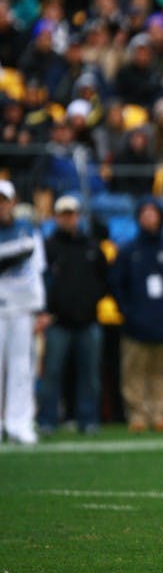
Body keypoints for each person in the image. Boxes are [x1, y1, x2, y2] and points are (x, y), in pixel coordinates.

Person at [109, 199, 163, 432]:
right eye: (145, 214)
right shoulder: (128, 251)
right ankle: (137, 415)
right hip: (135, 326)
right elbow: (116, 285)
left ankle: (159, 414)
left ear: (161, 218)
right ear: (138, 218)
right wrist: (128, 313)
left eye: (153, 214)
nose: (149, 218)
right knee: (133, 373)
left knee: (162, 373)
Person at [37, 195, 108, 436]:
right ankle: (47, 419)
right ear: (56, 217)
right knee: (52, 373)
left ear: (78, 216)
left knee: (89, 375)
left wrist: (91, 303)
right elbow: (39, 282)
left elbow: (103, 280)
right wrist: (47, 310)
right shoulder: (48, 246)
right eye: (64, 214)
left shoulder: (92, 246)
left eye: (72, 214)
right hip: (57, 321)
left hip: (88, 320)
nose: (68, 218)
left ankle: (88, 419)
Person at [0, 180, 45, 444]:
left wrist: (41, 307)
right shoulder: (25, 232)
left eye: (4, 200)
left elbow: (36, 266)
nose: (1, 206)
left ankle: (19, 422)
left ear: (13, 202)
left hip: (23, 307)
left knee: (21, 367)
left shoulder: (27, 229)